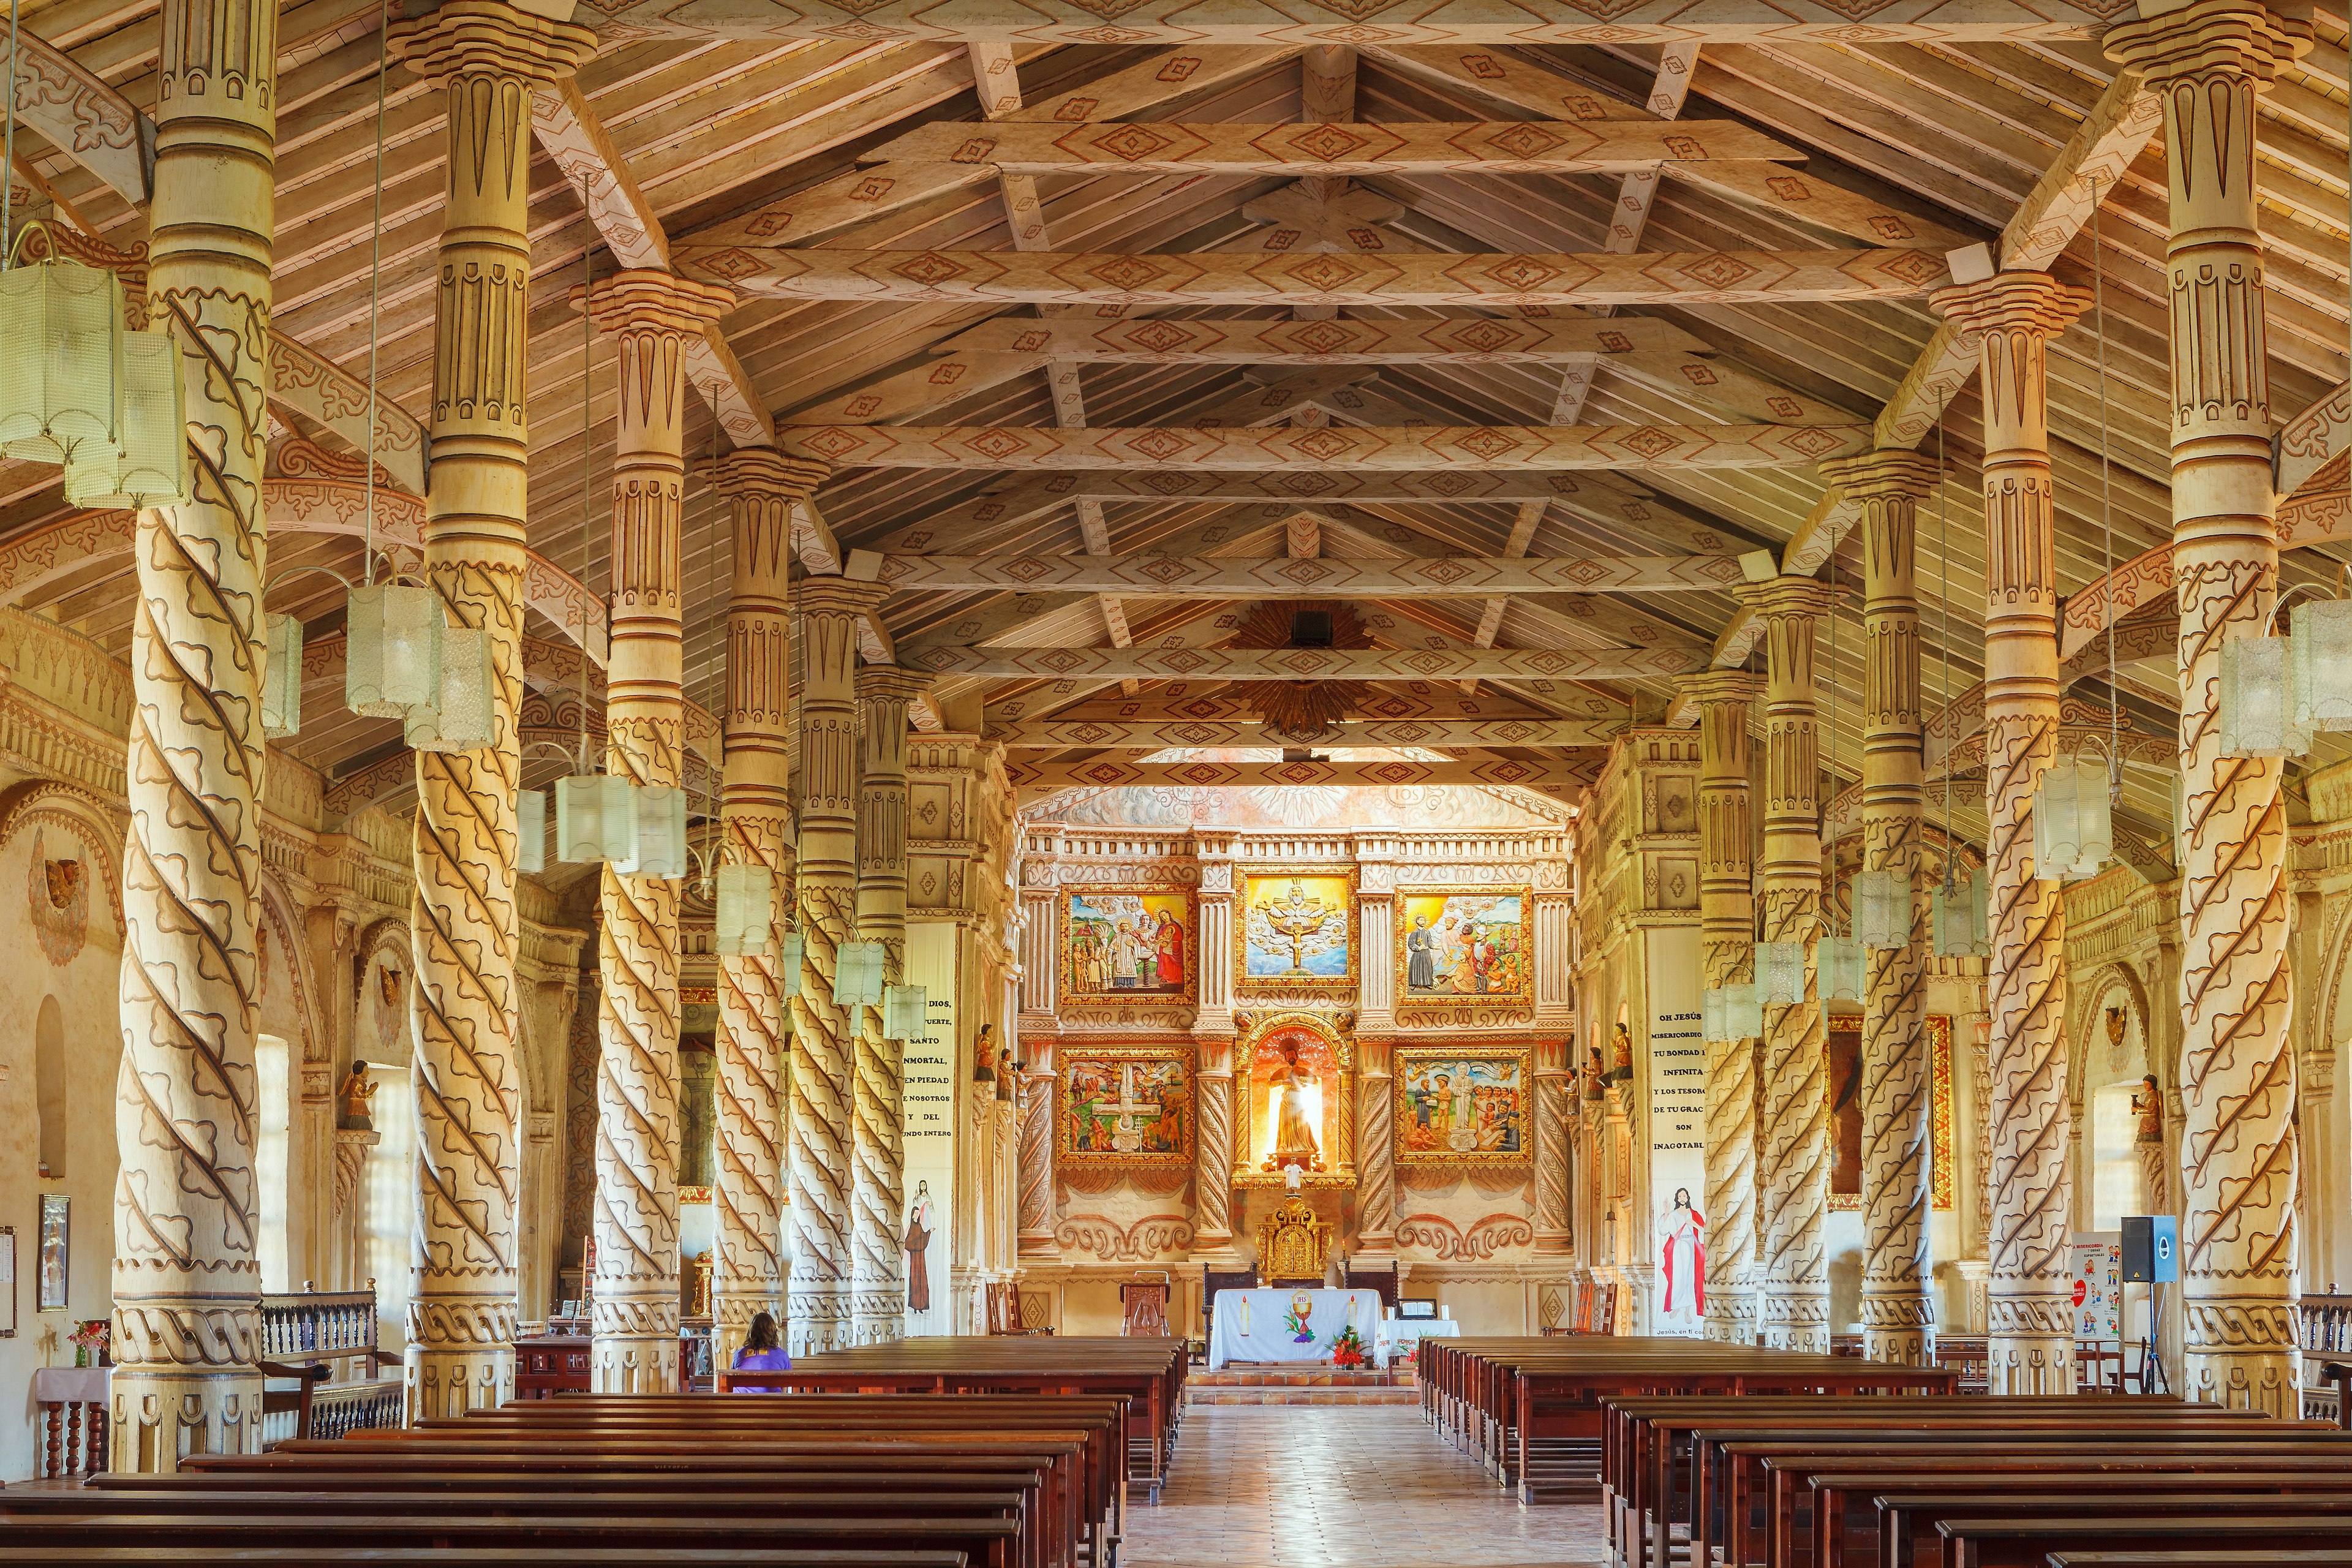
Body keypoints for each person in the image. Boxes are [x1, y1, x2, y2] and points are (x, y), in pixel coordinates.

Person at [734, 1310, 791, 1374]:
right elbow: (789, 1381)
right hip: (772, 1384)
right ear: (773, 1332)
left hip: (746, 1384)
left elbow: (731, 1380)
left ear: (751, 1332)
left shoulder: (739, 1354)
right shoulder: (782, 1355)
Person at [1406, 913, 1437, 991]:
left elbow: (1429, 942)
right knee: (1416, 967)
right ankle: (1414, 983)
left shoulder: (1427, 932)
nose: (1423, 922)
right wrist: (1418, 947)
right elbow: (1411, 943)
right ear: (1417, 922)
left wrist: (1433, 946)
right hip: (1418, 954)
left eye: (1424, 920)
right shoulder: (1415, 933)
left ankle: (1427, 983)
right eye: (1421, 920)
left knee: (1426, 967)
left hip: (1426, 953)